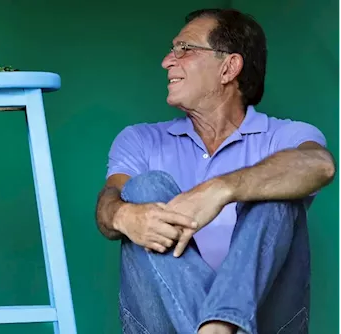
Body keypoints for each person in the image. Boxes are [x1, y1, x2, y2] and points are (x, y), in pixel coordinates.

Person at [95, 8, 336, 334]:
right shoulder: (141, 139)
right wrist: (124, 217)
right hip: (160, 324)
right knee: (142, 190)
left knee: (276, 189)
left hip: (269, 322)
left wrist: (221, 189)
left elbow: (320, 165)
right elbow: (108, 201)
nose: (167, 61)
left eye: (185, 49)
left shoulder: (284, 137)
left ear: (229, 68)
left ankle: (220, 325)